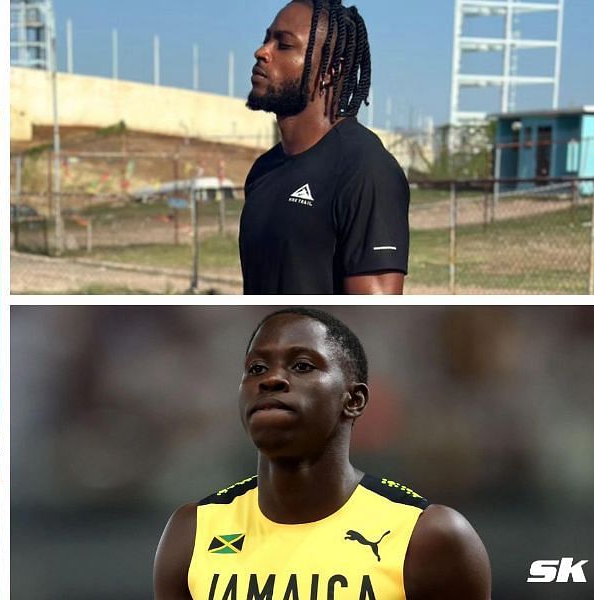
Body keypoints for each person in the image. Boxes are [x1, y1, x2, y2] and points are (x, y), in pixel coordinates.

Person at [153, 308, 491, 599]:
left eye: (301, 366)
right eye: (256, 368)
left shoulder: (429, 537)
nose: (271, 379)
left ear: (354, 400)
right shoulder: (193, 532)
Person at [240, 0, 409, 294]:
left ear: (331, 69)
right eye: (267, 38)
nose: (262, 51)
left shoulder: (366, 169)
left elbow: (373, 314)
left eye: (284, 45)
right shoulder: (263, 170)